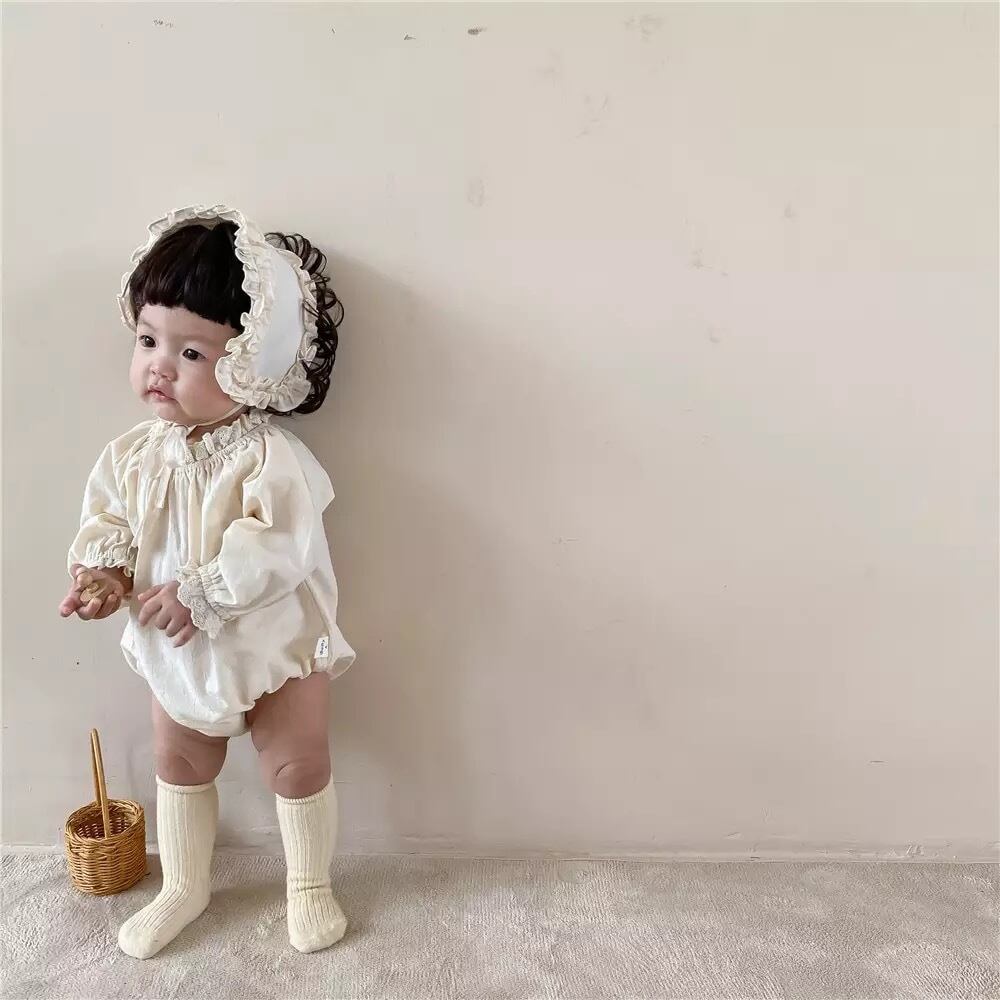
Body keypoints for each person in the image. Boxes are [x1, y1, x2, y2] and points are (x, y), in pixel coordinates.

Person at [59, 205, 356, 959]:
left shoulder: (269, 457)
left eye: (191, 351)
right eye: (148, 340)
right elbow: (112, 519)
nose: (159, 365)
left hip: (274, 642)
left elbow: (281, 544)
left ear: (252, 362)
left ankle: (309, 884)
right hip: (179, 647)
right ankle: (185, 885)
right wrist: (104, 573)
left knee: (296, 761)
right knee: (180, 761)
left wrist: (203, 590)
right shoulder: (133, 455)